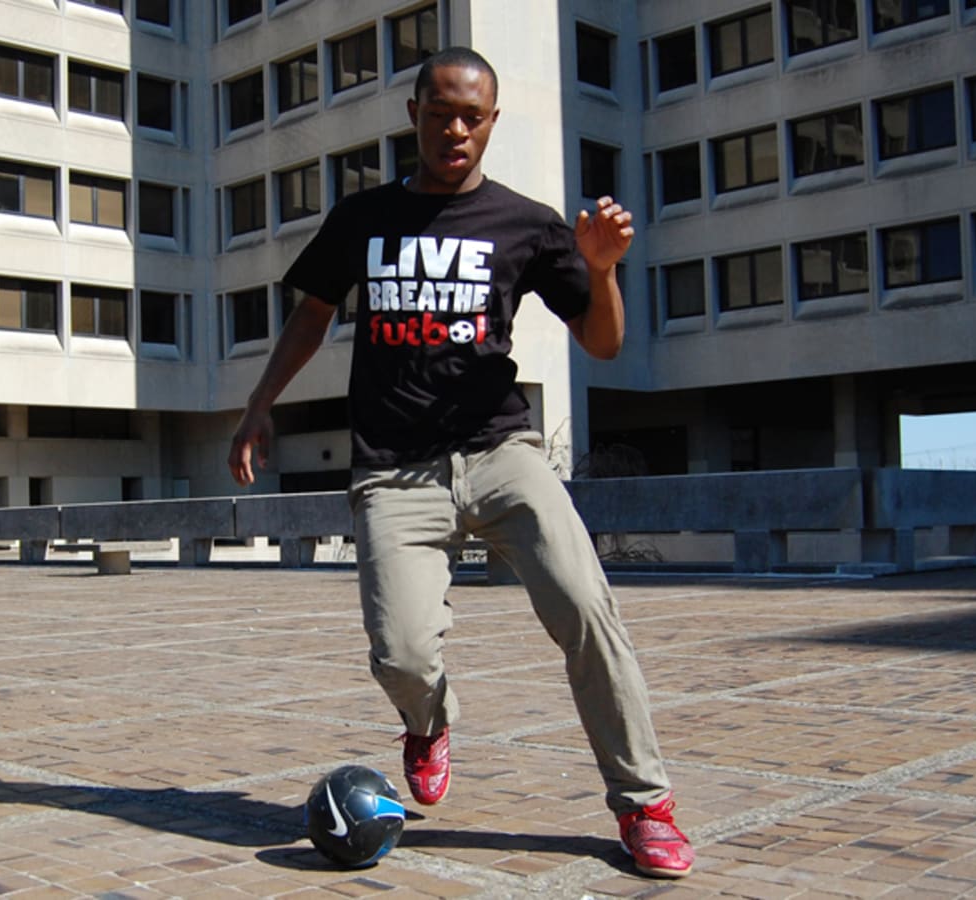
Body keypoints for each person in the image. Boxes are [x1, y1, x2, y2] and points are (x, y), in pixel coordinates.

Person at [227, 46, 694, 879]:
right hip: (393, 471)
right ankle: (429, 721)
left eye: (470, 116)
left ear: (491, 123)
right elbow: (311, 316)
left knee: (588, 611)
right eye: (439, 111)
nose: (454, 129)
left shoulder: (528, 224)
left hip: (500, 453)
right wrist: (261, 402)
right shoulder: (362, 219)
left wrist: (599, 268)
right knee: (400, 654)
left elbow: (605, 342)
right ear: (413, 114)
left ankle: (644, 803)